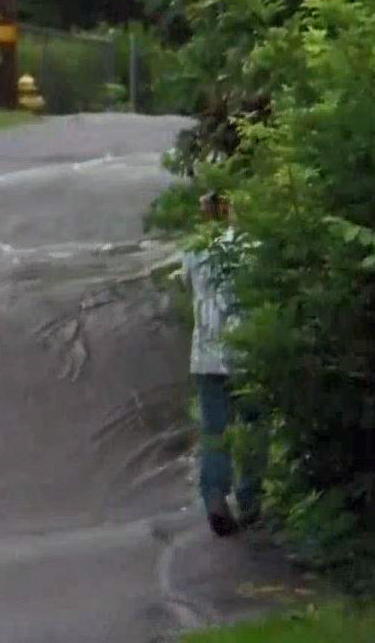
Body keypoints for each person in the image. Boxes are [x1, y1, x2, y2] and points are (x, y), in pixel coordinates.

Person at [181, 191, 263, 537]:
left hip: (206, 354)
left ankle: (215, 497)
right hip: (246, 352)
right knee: (253, 426)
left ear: (205, 213)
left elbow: (188, 286)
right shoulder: (253, 247)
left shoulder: (193, 250)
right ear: (231, 209)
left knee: (214, 431)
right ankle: (250, 500)